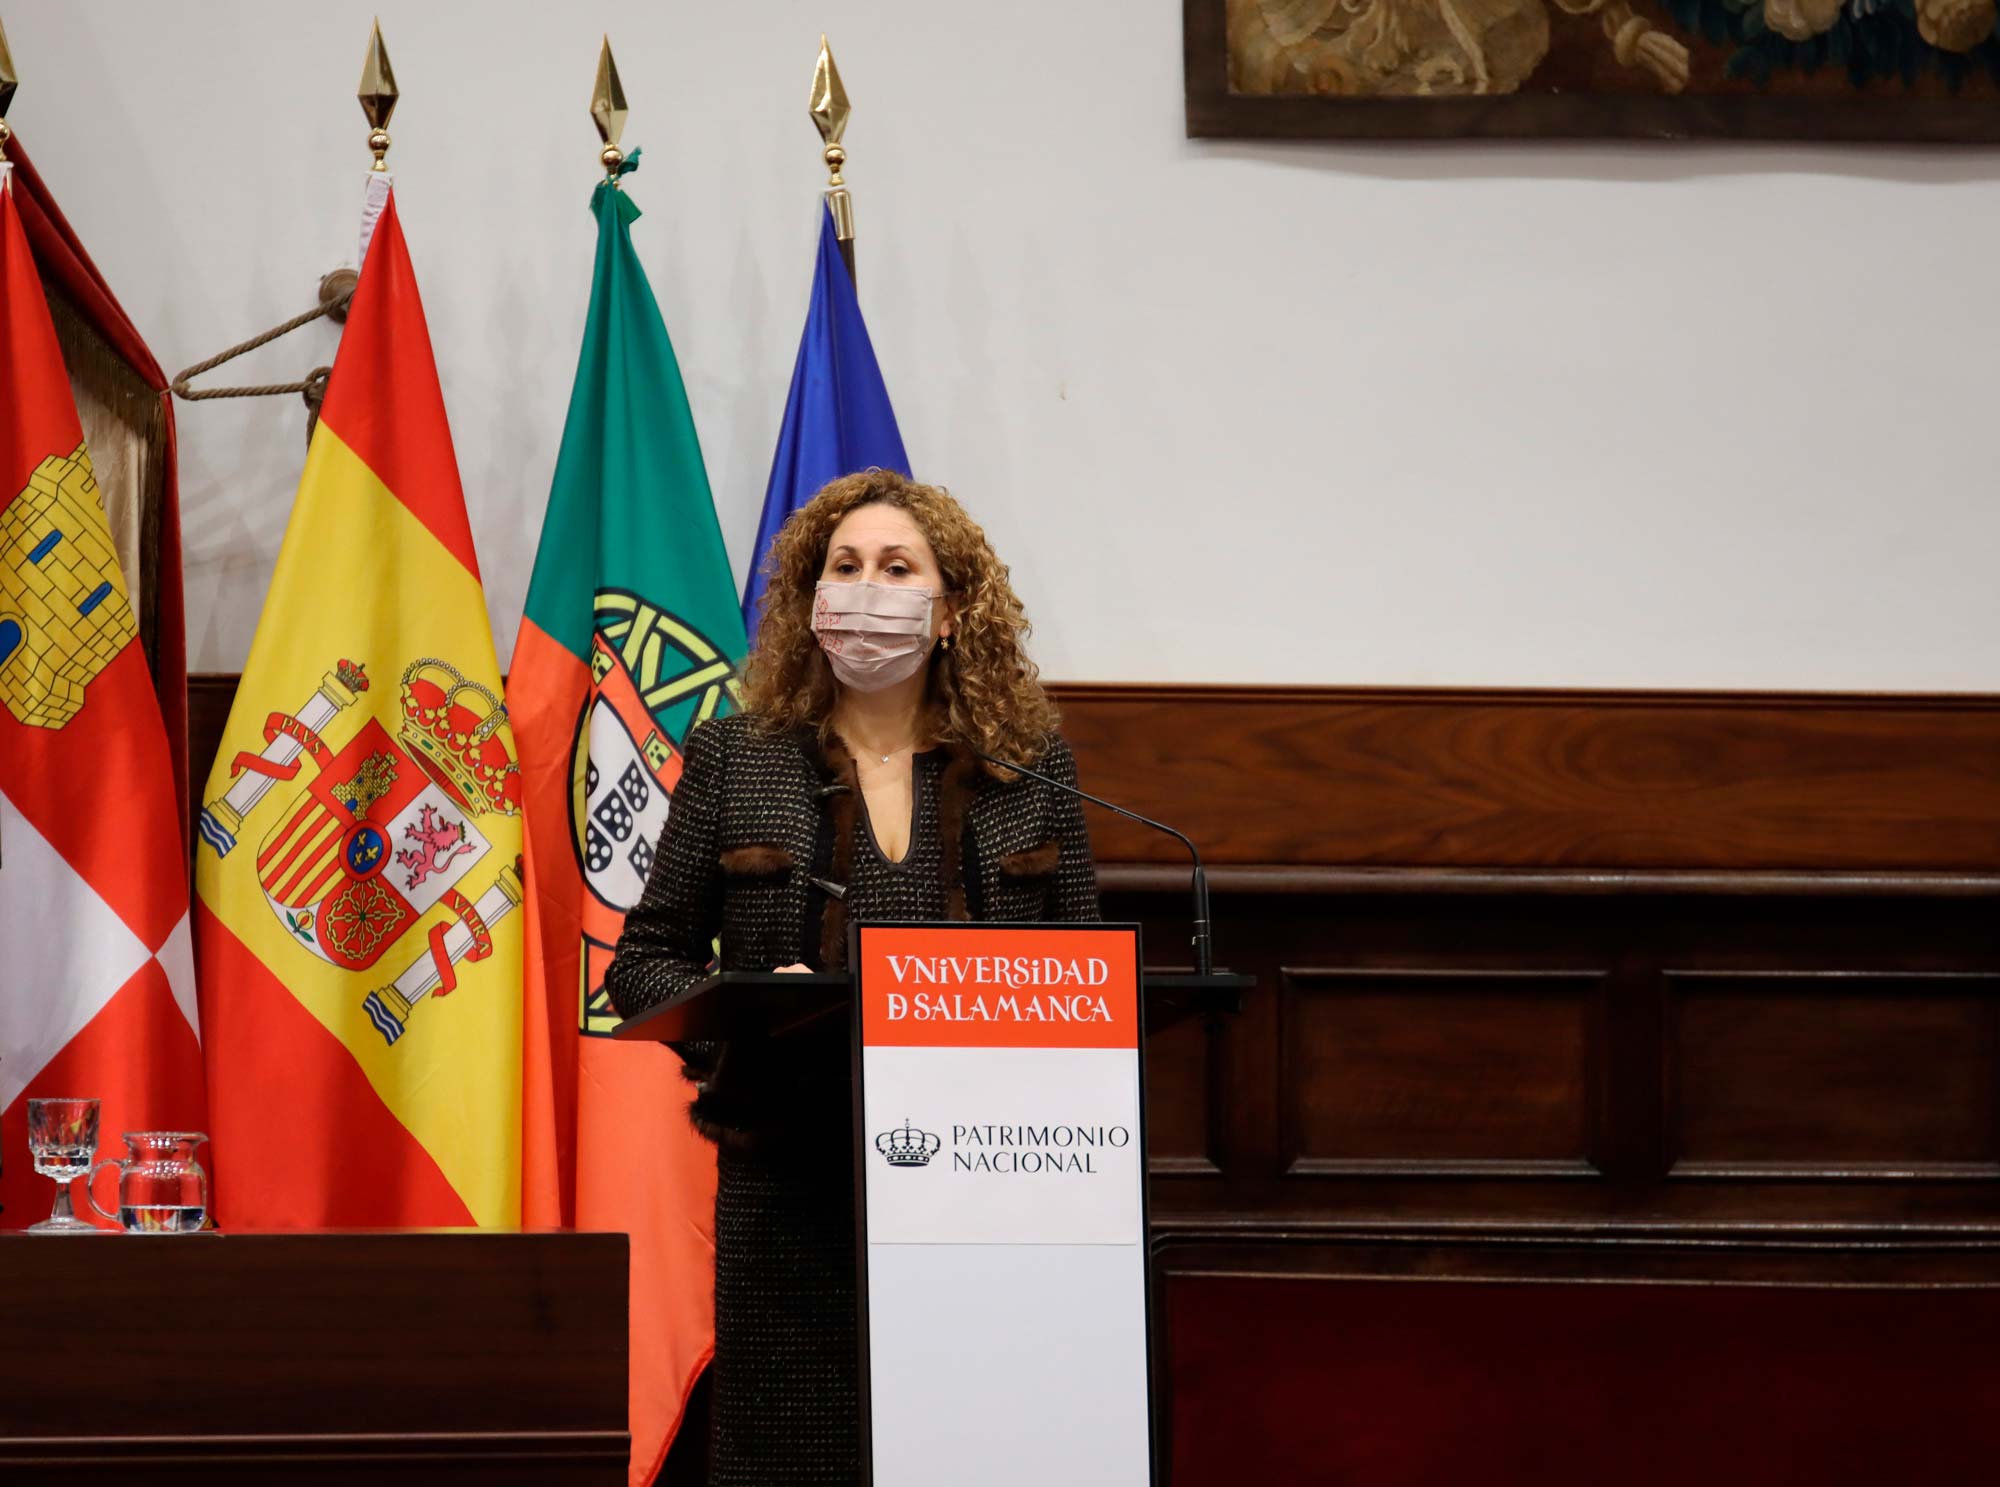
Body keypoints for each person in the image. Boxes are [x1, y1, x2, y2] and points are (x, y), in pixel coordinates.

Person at [604, 468, 1101, 1486]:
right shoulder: (738, 756)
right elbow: (645, 959)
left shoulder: (1027, 768)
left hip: (986, 1190)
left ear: (951, 609)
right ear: (809, 601)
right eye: (844, 566)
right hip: (790, 1183)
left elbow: (1082, 973)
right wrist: (749, 1023)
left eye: (896, 566)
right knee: (796, 1454)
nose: (866, 587)